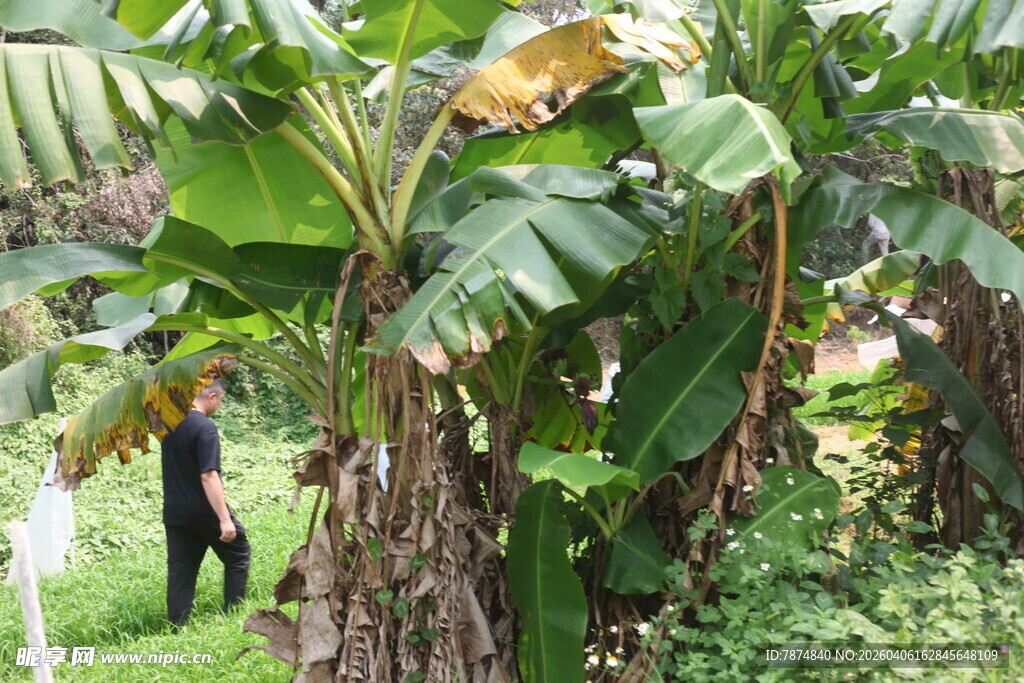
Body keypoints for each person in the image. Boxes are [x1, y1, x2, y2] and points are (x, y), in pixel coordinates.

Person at [161, 379, 250, 628]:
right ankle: (233, 613)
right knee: (238, 553)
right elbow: (208, 475)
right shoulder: (205, 427)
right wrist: (225, 519)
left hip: (175, 511)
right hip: (203, 510)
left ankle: (176, 627)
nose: (218, 406)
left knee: (181, 571)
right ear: (211, 397)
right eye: (219, 401)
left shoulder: (170, 423)